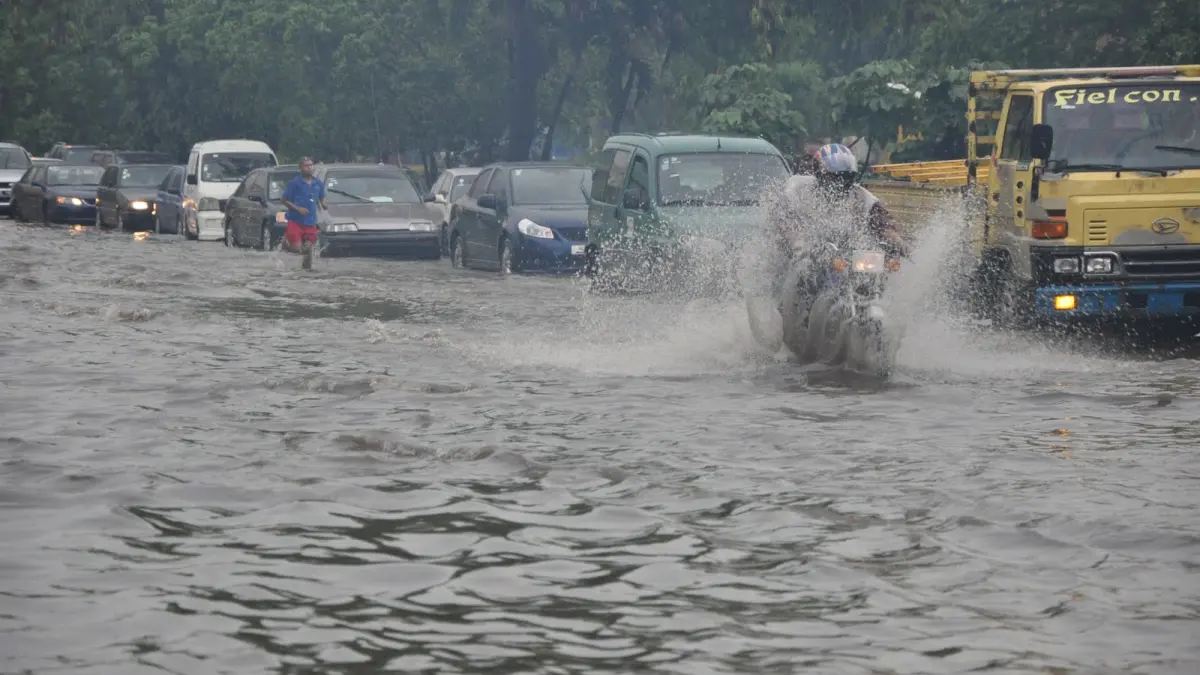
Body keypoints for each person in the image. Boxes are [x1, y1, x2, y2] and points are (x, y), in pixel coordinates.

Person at [280, 157, 326, 270]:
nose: (310, 168)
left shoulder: (318, 183)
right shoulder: (294, 183)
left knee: (307, 248)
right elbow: (284, 200)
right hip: (296, 221)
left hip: (311, 221)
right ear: (300, 168)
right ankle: (285, 246)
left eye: (311, 165)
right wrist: (298, 209)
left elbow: (321, 197)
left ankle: (307, 271)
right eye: (306, 166)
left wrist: (323, 204)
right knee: (297, 249)